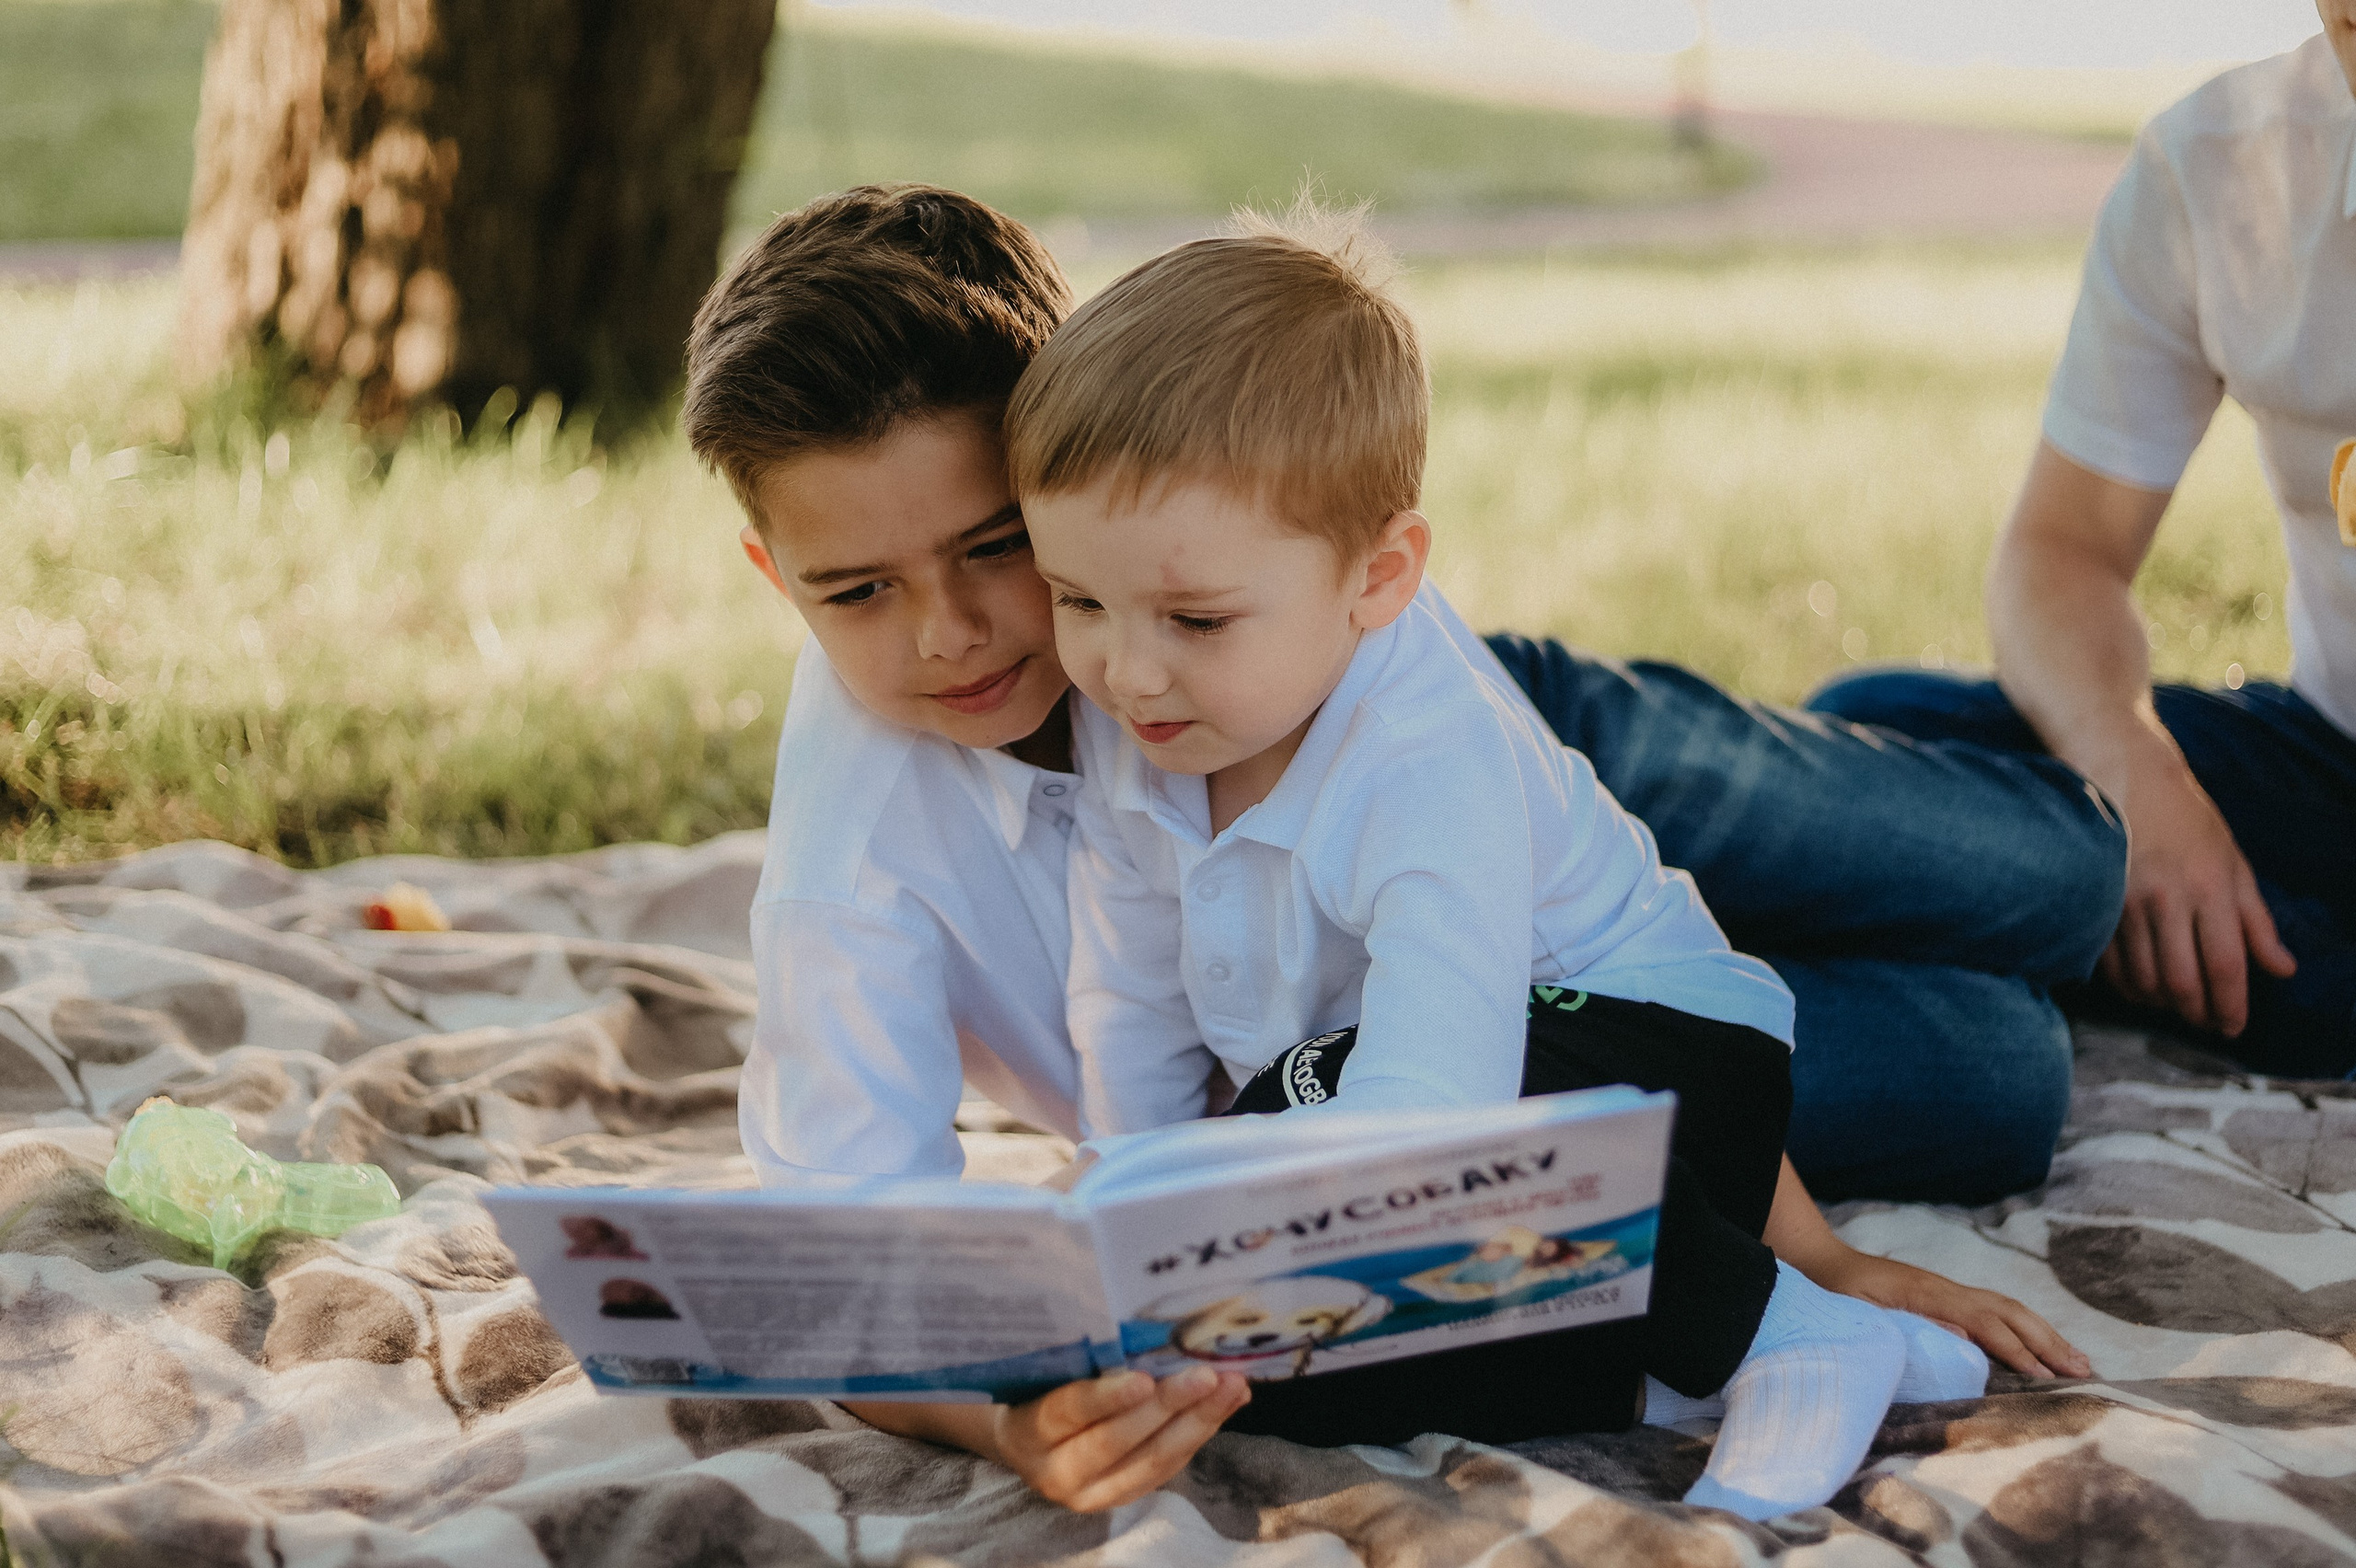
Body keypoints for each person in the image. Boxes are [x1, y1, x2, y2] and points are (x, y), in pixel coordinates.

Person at [681, 183, 2085, 1516]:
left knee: (2064, 878)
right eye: (858, 590)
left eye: (996, 548)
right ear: (779, 576)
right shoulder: (867, 847)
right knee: (2002, 1071)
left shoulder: (1300, 629)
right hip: (1365, 1031)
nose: (951, 633)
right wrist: (1015, 1409)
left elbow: (1475, 1056)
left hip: (1502, 785)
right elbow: (848, 1248)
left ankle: (1925, 722)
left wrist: (1817, 1256)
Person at [1012, 210, 2004, 1517]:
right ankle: (1678, 1384)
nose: (1123, 669)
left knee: (1345, 1141)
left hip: (1653, 1073)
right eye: (1077, 602)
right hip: (1407, 1124)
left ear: (1380, 575)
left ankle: (1784, 1333)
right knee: (1235, 1355)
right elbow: (1130, 999)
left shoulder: (1430, 755)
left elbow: (1437, 1105)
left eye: (1194, 619)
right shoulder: (1143, 731)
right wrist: (1139, 1240)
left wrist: (1201, 1191)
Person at [1811, 7, 2356, 1078]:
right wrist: (2137, 785)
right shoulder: (2216, 168)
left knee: (2295, 978)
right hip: (2330, 765)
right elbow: (2062, 551)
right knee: (1875, 742)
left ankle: (2073, 944)